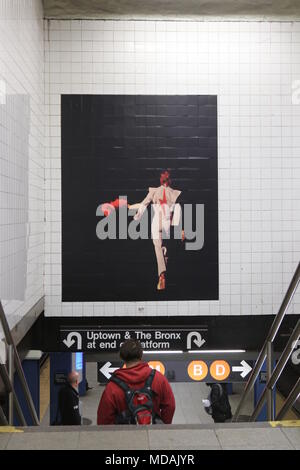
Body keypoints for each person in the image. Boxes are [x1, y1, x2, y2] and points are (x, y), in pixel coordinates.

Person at [97, 339, 176, 425]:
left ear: (122, 357)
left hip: (124, 435)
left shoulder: (112, 387)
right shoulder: (158, 378)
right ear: (141, 355)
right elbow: (170, 406)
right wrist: (163, 427)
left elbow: (104, 418)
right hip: (153, 432)